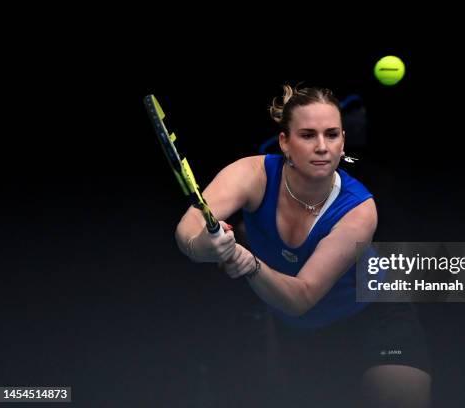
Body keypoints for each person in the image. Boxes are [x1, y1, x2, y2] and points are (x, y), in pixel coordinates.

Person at [174, 84, 431, 407]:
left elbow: (302, 296)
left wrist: (248, 263)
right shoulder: (251, 175)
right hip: (298, 334)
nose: (322, 146)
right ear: (285, 142)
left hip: (375, 316)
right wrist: (206, 247)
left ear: (342, 143)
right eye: (308, 135)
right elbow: (189, 228)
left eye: (332, 134)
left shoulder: (359, 208)